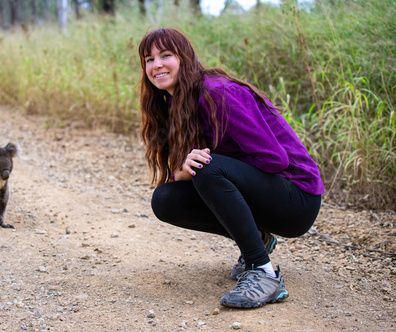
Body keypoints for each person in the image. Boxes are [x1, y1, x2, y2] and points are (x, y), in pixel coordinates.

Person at [137, 28, 324, 309]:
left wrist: (207, 166)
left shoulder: (217, 92)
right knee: (165, 199)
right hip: (266, 195)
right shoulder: (174, 102)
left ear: (185, 58)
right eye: (149, 60)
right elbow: (191, 171)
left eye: (166, 55)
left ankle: (264, 274)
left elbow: (275, 160)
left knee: (208, 167)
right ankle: (258, 240)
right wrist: (184, 172)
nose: (157, 65)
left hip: (297, 198)